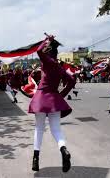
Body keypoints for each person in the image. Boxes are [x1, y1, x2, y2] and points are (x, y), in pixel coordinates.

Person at [29, 35, 75, 173]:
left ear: (49, 53)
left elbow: (38, 51)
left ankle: (36, 159)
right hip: (54, 100)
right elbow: (72, 81)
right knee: (56, 130)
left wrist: (46, 41)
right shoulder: (60, 68)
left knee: (39, 129)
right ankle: (63, 149)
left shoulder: (47, 62)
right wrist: (61, 95)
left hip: (41, 99)